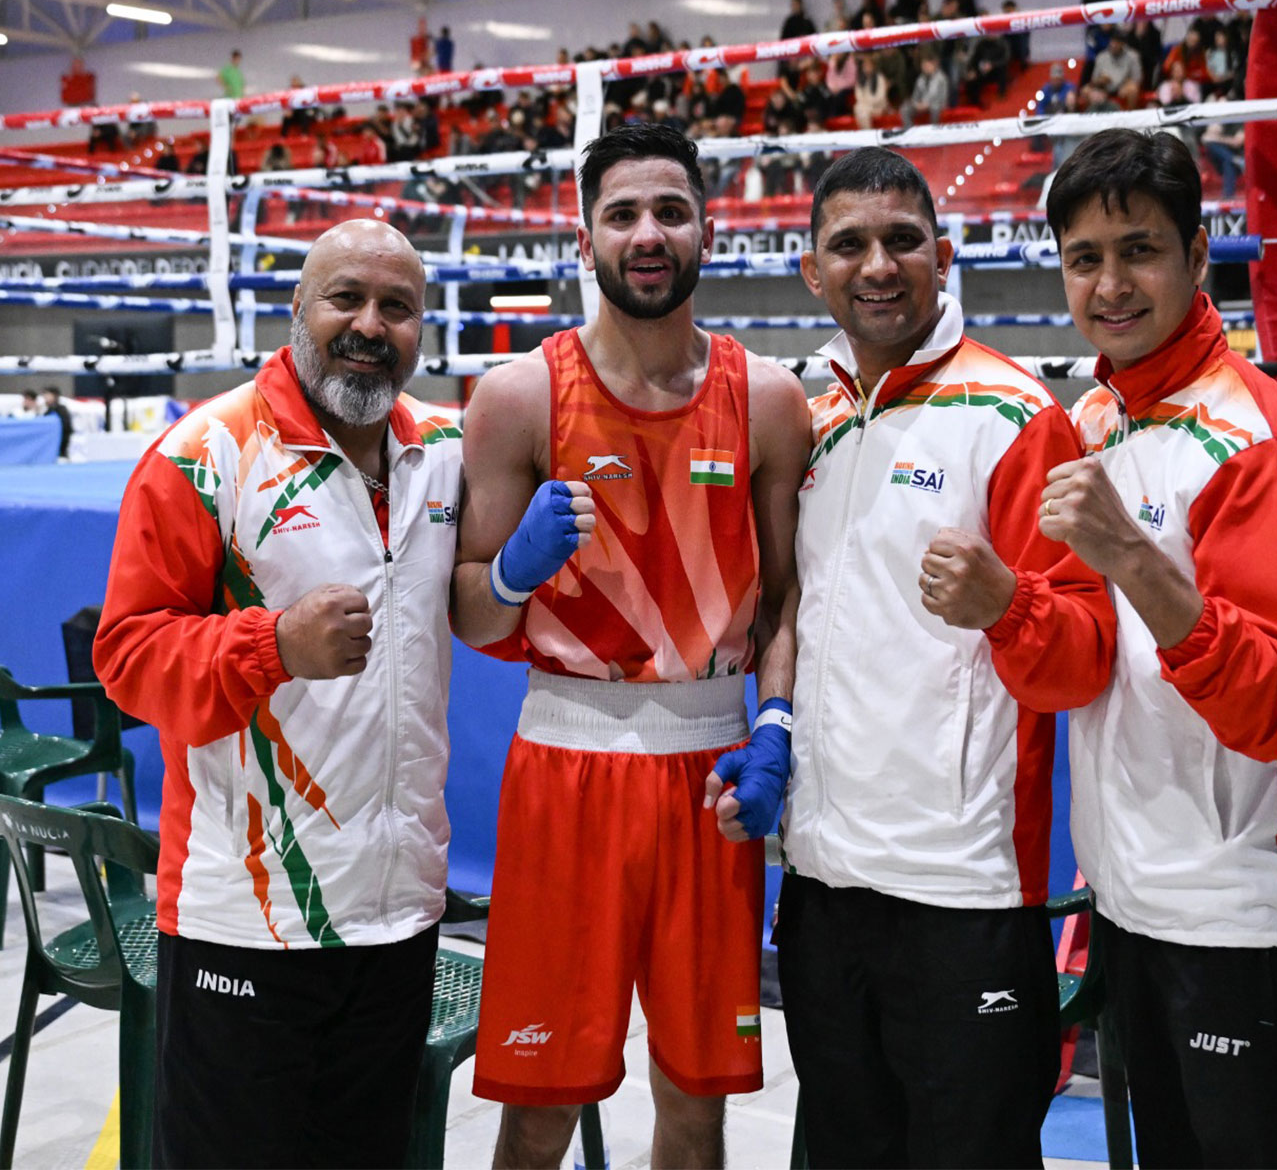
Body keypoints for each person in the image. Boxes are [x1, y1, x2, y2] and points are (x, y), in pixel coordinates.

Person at [452, 123, 810, 1170]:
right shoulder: (518, 398)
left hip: (712, 776)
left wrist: (777, 723)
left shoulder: (772, 403)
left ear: (708, 226)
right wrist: (513, 574)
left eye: (670, 210)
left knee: (698, 1106)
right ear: (585, 237)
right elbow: (474, 616)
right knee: (539, 1106)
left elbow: (786, 604)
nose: (647, 234)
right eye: (622, 214)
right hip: (566, 771)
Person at [91, 219, 463, 1168]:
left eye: (398, 307)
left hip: (397, 914)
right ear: (297, 309)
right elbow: (128, 656)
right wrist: (272, 645)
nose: (370, 326)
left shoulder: (446, 458)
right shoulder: (203, 454)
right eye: (346, 299)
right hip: (245, 921)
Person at [779, 147, 1118, 1168]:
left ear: (944, 254)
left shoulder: (1018, 420)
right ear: (811, 270)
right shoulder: (812, 423)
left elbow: (1081, 659)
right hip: (820, 888)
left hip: (960, 898)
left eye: (901, 240)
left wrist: (1009, 605)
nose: (877, 265)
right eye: (849, 244)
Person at [1038, 128, 1277, 1168]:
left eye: (1138, 250)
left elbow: (1274, 708)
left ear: (1196, 251)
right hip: (1131, 899)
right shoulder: (1092, 416)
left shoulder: (1259, 443)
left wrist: (1132, 556)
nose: (1111, 284)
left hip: (1244, 916)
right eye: (1085, 258)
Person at [39, 386, 72, 460]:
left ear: (54, 396)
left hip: (60, 448)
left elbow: (67, 428)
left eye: (47, 395)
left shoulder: (61, 410)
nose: (45, 397)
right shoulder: (46, 412)